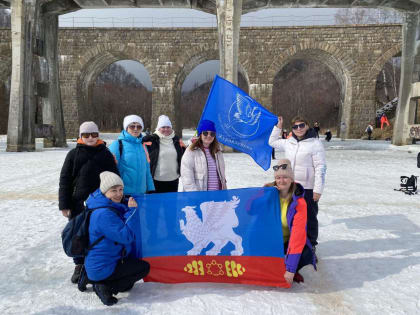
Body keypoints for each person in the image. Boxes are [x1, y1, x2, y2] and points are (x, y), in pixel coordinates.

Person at [59, 121, 119, 284]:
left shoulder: (105, 154)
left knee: (97, 235)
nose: (90, 138)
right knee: (79, 235)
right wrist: (64, 205)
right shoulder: (73, 155)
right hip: (78, 202)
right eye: (86, 135)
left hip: (101, 204)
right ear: (81, 137)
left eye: (94, 134)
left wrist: (117, 199)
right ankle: (79, 264)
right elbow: (65, 180)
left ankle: (94, 264)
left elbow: (114, 178)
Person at [85, 171, 150, 306]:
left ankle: (94, 278)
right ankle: (105, 287)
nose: (119, 194)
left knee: (128, 285)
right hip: (103, 267)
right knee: (143, 268)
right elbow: (126, 237)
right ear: (104, 192)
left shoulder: (105, 206)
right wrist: (131, 211)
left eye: (121, 189)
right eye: (113, 190)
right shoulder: (104, 214)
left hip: (102, 263)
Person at [269, 116, 326, 253]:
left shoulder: (315, 144)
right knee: (292, 216)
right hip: (291, 186)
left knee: (310, 217)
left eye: (301, 125)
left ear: (307, 126)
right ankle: (293, 244)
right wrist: (278, 127)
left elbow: (321, 167)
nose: (298, 129)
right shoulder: (289, 142)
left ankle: (311, 245)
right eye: (295, 127)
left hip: (308, 188)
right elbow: (272, 142)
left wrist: (317, 189)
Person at [264, 159, 316, 285]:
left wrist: (291, 269)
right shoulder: (269, 193)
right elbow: (249, 209)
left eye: (285, 177)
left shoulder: (299, 202)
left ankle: (291, 269)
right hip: (270, 240)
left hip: (288, 242)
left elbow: (297, 236)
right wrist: (262, 193)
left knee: (304, 252)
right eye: (278, 177)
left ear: (292, 178)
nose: (281, 181)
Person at [109, 115, 155, 196]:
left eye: (139, 126)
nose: (136, 129)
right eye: (132, 126)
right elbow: (110, 171)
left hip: (142, 193)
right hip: (123, 194)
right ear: (126, 128)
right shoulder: (117, 145)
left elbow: (147, 170)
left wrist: (151, 188)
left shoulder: (143, 146)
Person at [142, 115, 186, 193]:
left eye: (168, 127)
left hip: (173, 180)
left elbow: (185, 154)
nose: (166, 129)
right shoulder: (152, 140)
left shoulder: (177, 140)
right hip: (156, 180)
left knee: (171, 204)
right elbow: (139, 146)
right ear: (159, 128)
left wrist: (193, 145)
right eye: (163, 127)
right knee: (155, 204)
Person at [180, 119, 227, 191]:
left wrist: (224, 193)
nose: (209, 136)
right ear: (200, 134)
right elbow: (187, 177)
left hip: (217, 196)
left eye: (212, 134)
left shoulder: (218, 152)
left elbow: (222, 177)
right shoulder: (191, 151)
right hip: (200, 197)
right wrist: (195, 196)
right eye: (205, 133)